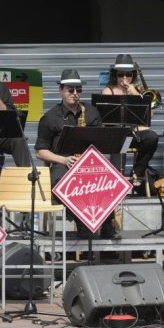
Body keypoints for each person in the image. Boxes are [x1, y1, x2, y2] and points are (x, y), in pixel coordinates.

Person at [35, 69, 120, 239]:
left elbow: (101, 140)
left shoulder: (91, 112)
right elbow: (40, 151)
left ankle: (107, 224)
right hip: (63, 162)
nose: (75, 94)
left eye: (78, 90)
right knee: (59, 183)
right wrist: (64, 159)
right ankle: (82, 221)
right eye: (71, 90)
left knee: (108, 179)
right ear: (61, 90)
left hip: (87, 161)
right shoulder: (50, 117)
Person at [101, 54, 159, 191]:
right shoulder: (109, 91)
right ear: (115, 75)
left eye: (129, 75)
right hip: (117, 135)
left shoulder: (138, 91)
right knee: (121, 143)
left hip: (134, 133)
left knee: (152, 137)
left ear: (133, 75)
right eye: (121, 75)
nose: (125, 78)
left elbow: (149, 116)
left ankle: (137, 172)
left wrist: (135, 95)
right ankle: (117, 181)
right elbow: (106, 117)